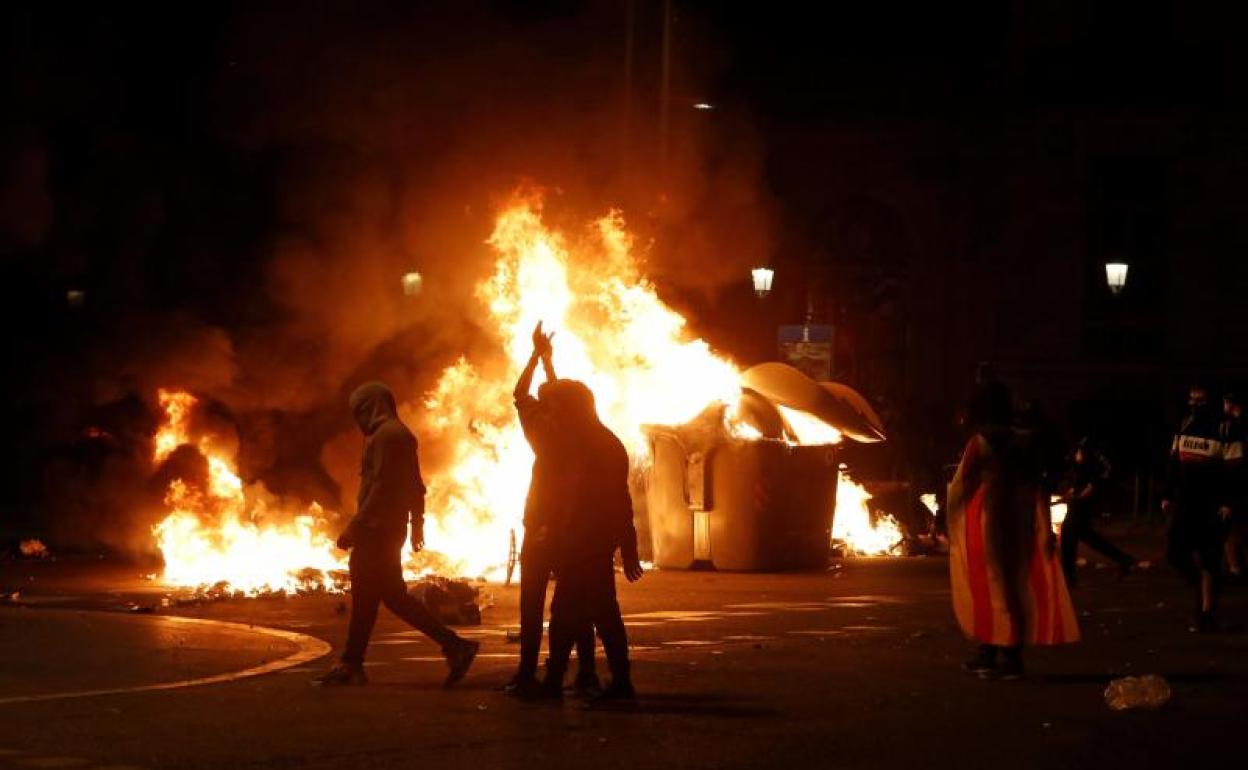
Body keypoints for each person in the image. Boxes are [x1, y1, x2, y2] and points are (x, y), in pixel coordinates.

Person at [314, 381, 479, 686]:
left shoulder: (388, 436)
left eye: (360, 412)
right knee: (388, 597)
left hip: (377, 530)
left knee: (373, 595)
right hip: (388, 529)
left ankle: (353, 663)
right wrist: (416, 523)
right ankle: (454, 646)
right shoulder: (398, 434)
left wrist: (356, 525)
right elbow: (415, 485)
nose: (358, 420)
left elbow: (381, 487)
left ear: (371, 407)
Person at [947, 381, 1079, 680]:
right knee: (1015, 583)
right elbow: (1037, 487)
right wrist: (1044, 528)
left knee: (988, 584)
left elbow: (960, 486)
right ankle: (1000, 652)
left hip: (986, 519)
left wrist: (950, 520)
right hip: (1020, 520)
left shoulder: (979, 442)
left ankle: (999, 651)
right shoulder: (1026, 441)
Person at [529, 377, 644, 704]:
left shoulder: (602, 446)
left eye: (556, 409)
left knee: (593, 611)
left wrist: (629, 546)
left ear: (572, 410)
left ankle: (614, 685)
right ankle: (559, 682)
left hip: (590, 544)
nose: (552, 417)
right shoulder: (582, 443)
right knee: (575, 611)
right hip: (577, 542)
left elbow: (618, 499)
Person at [504, 322, 599, 699]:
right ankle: (586, 672)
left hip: (545, 528)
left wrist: (536, 358)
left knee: (533, 604)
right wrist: (547, 363)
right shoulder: (582, 434)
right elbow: (557, 396)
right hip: (572, 531)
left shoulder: (542, 434)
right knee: (576, 605)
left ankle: (529, 673)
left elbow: (520, 393)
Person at [1161, 382, 1241, 632]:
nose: (1195, 404)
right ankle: (1202, 587)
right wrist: (1167, 494)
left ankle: (1206, 614)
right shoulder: (1184, 424)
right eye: (1192, 399)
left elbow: (1234, 470)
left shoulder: (1225, 429)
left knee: (1210, 559)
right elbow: (1173, 463)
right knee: (1174, 552)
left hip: (1212, 505)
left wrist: (1228, 501)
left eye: (1201, 399)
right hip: (1186, 501)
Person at [1059, 437, 1136, 587]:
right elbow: (1081, 473)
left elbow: (1102, 471)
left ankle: (1068, 576)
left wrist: (1090, 488)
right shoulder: (1079, 446)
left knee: (1069, 532)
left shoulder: (1091, 446)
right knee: (1086, 536)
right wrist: (1072, 491)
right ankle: (1124, 559)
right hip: (1081, 496)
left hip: (1085, 500)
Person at [1221, 391, 1246, 578]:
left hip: (1238, 480)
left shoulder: (1235, 426)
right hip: (1237, 480)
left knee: (1231, 528)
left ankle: (1236, 567)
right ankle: (1236, 566)